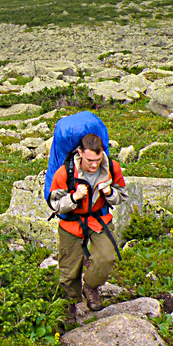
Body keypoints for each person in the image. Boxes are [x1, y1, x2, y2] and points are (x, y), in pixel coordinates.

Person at [46, 132, 127, 315]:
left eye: (97, 160)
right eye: (89, 159)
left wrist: (109, 194)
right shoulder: (65, 172)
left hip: (99, 220)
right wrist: (74, 198)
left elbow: (122, 195)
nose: (93, 165)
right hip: (71, 224)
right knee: (69, 269)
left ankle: (90, 287)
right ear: (80, 152)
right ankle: (70, 304)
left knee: (107, 258)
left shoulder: (112, 168)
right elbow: (55, 204)